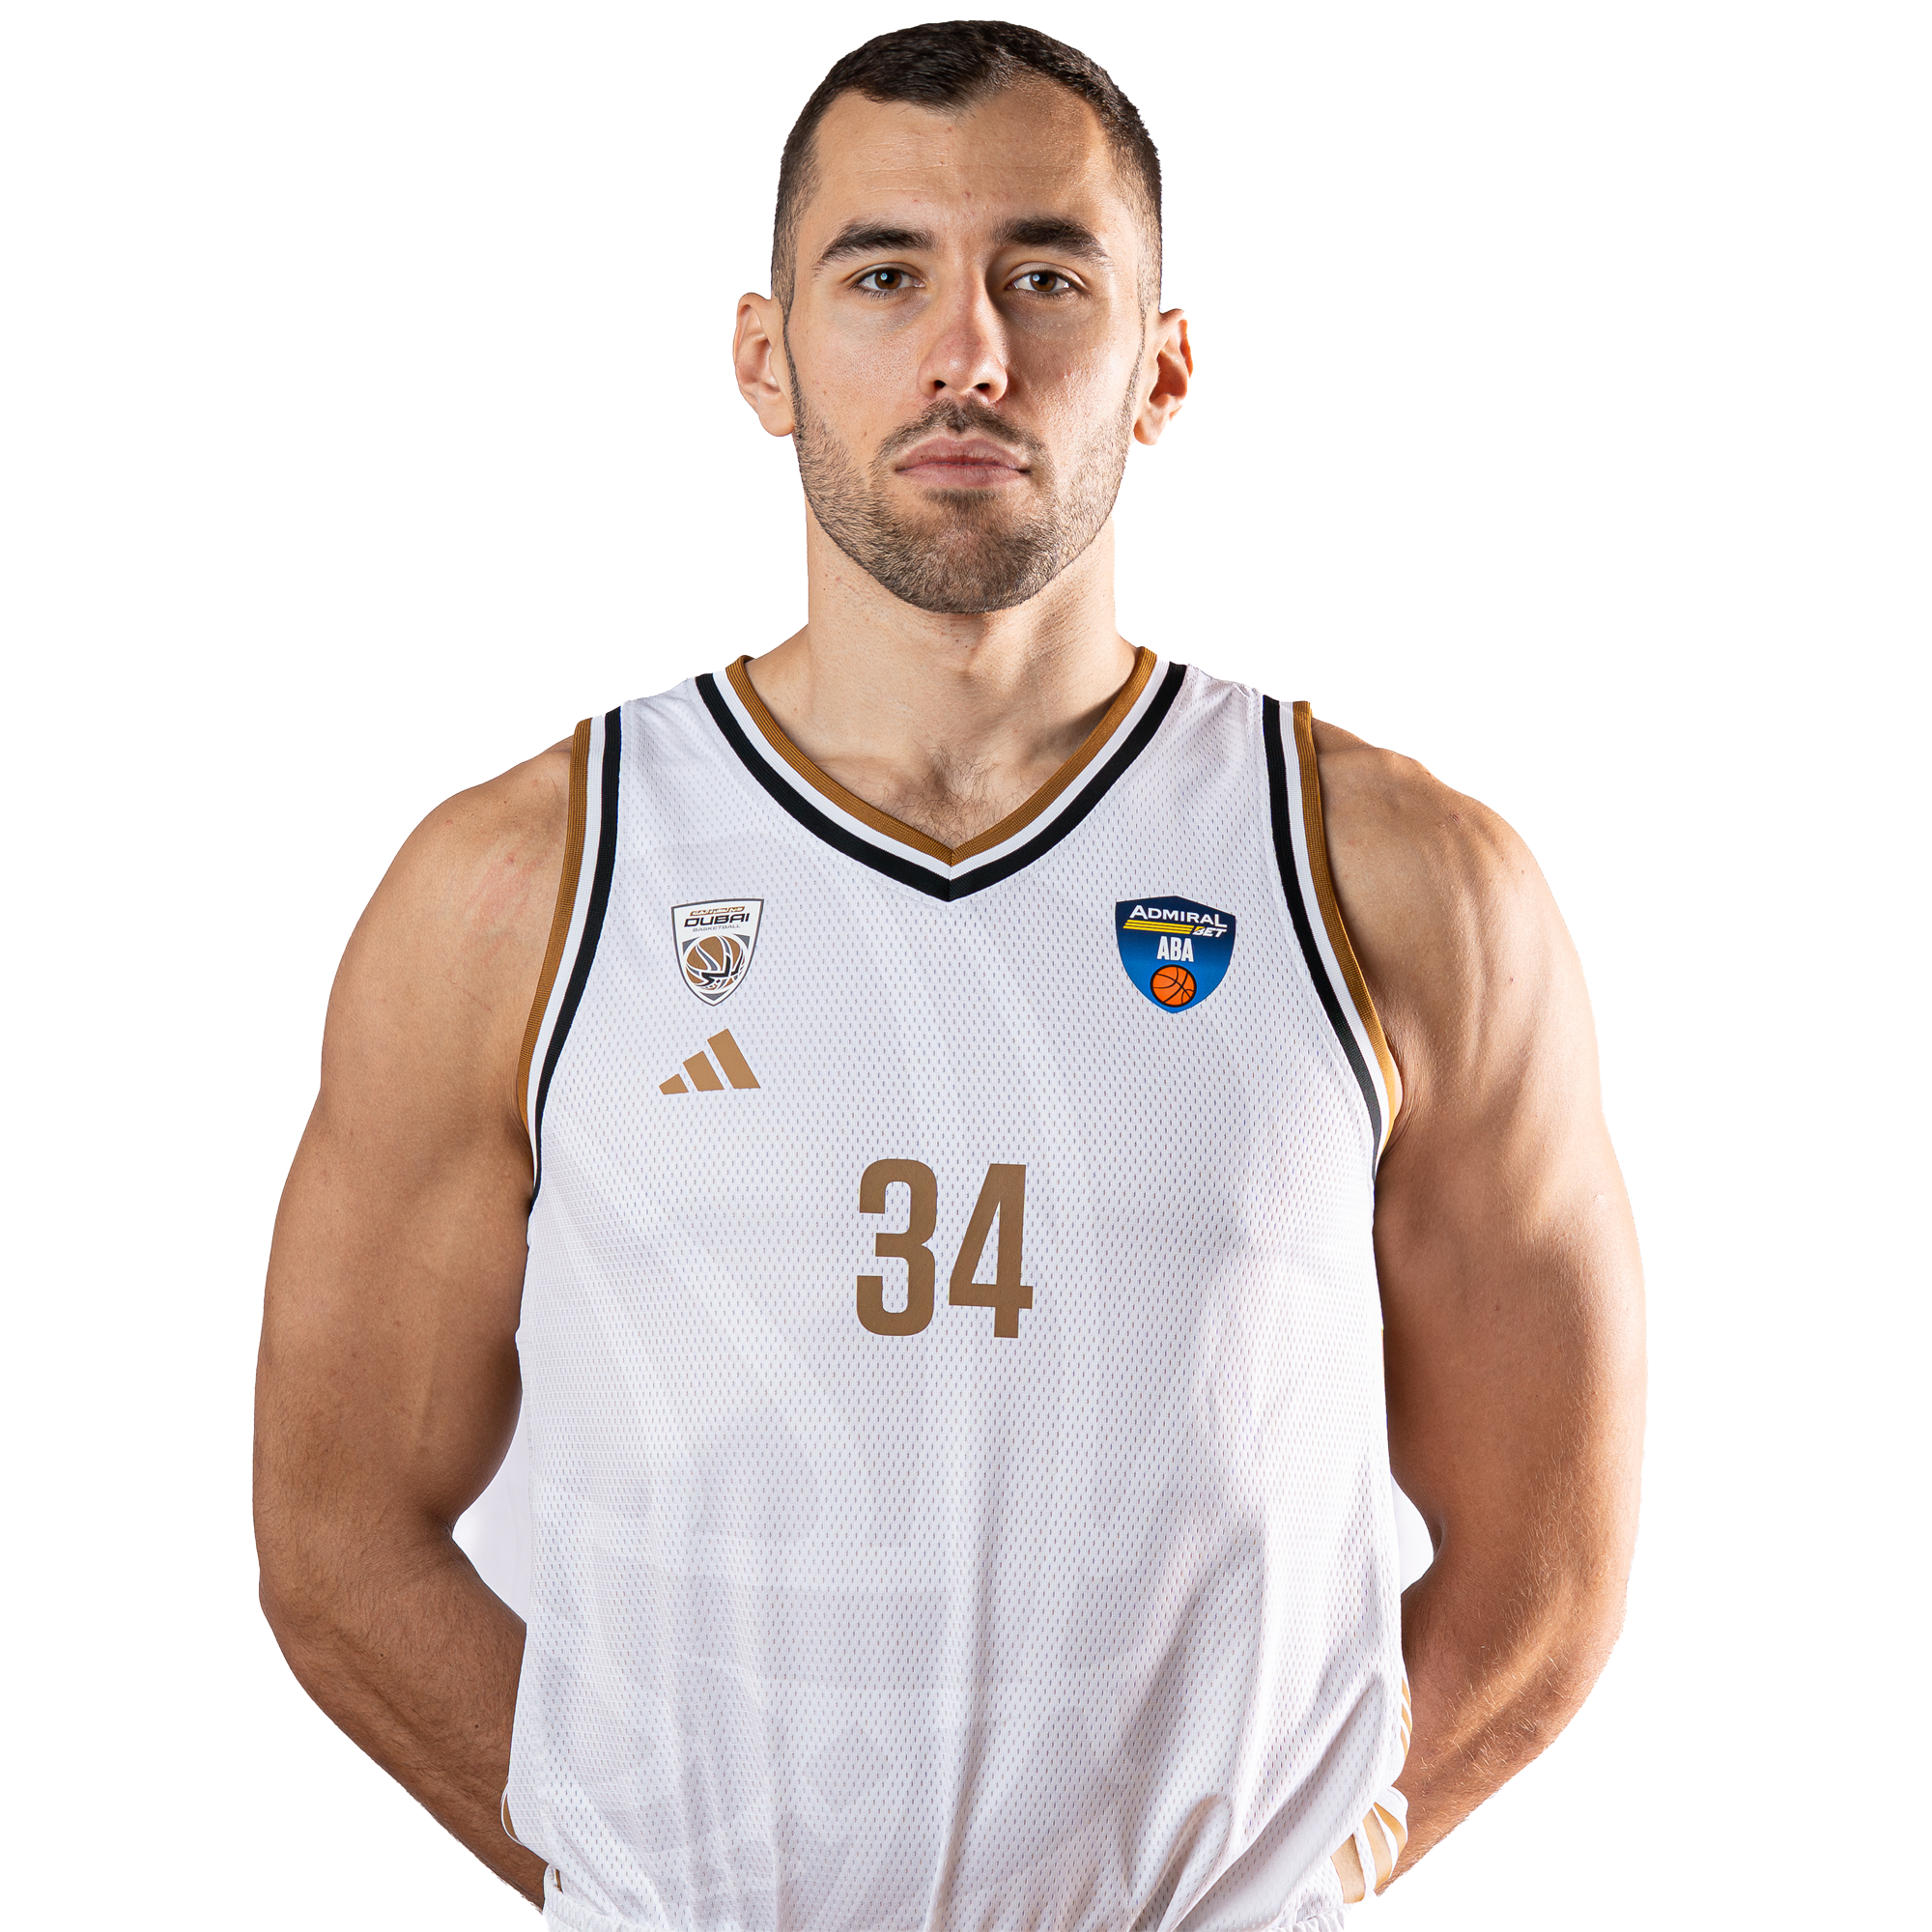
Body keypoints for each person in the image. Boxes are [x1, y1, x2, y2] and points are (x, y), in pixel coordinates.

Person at [256, 20, 1643, 1929]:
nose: (967, 352)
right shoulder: (520, 890)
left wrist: (1323, 1863)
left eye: (1045, 278)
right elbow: (337, 1531)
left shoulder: (1404, 890)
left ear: (1160, 366)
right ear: (766, 356)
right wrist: (635, 1882)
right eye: (884, 273)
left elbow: (1547, 1566)